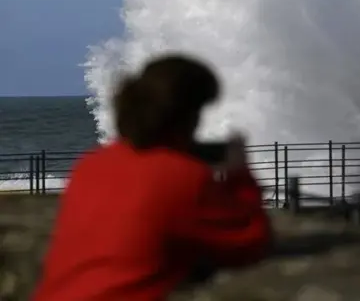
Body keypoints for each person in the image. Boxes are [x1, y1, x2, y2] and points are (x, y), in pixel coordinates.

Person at [32, 54, 273, 301]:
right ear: (188, 117)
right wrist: (239, 175)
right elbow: (250, 240)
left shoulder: (90, 165)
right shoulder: (182, 176)